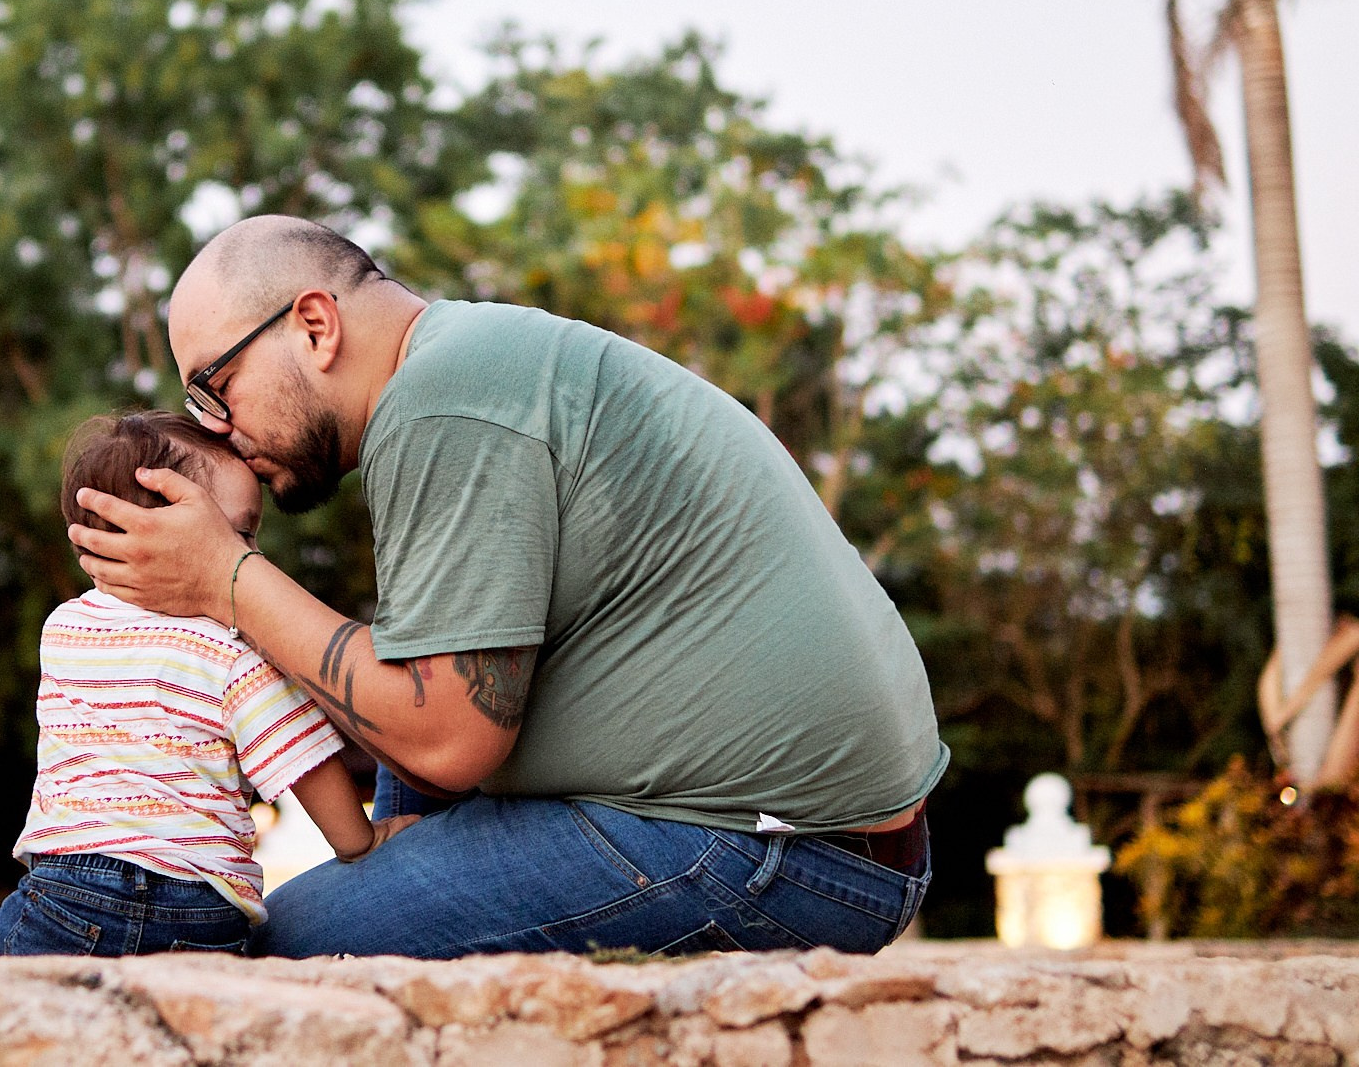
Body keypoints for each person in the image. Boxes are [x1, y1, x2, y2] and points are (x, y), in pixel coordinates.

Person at [66, 216, 949, 959]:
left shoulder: (443, 401)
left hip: (772, 852)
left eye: (215, 389)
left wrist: (227, 579)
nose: (217, 427)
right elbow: (428, 721)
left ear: (314, 325)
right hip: (816, 838)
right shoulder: (466, 367)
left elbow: (448, 740)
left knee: (255, 951)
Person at [0, 411, 413, 959]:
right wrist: (359, 841)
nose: (252, 559)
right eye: (241, 535)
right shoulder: (234, 650)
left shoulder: (63, 629)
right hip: (204, 910)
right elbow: (300, 756)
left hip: (74, 890)